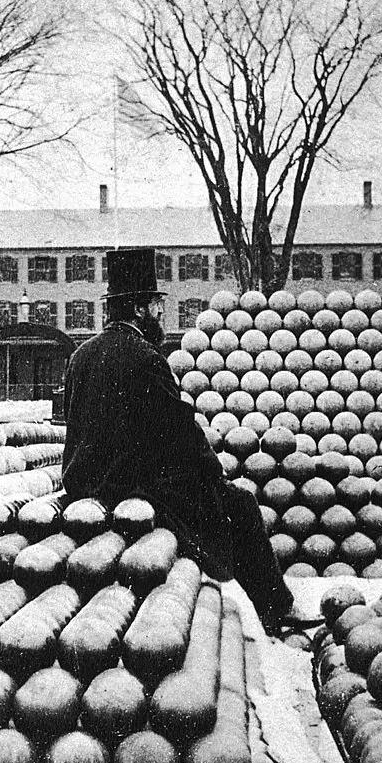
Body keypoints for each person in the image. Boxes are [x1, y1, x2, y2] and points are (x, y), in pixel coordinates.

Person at [61, 246, 306, 636]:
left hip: (82, 483)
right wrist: (212, 469)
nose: (160, 313)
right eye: (157, 306)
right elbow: (178, 431)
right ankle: (277, 608)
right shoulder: (146, 358)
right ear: (140, 309)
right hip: (129, 487)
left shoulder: (81, 355)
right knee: (238, 504)